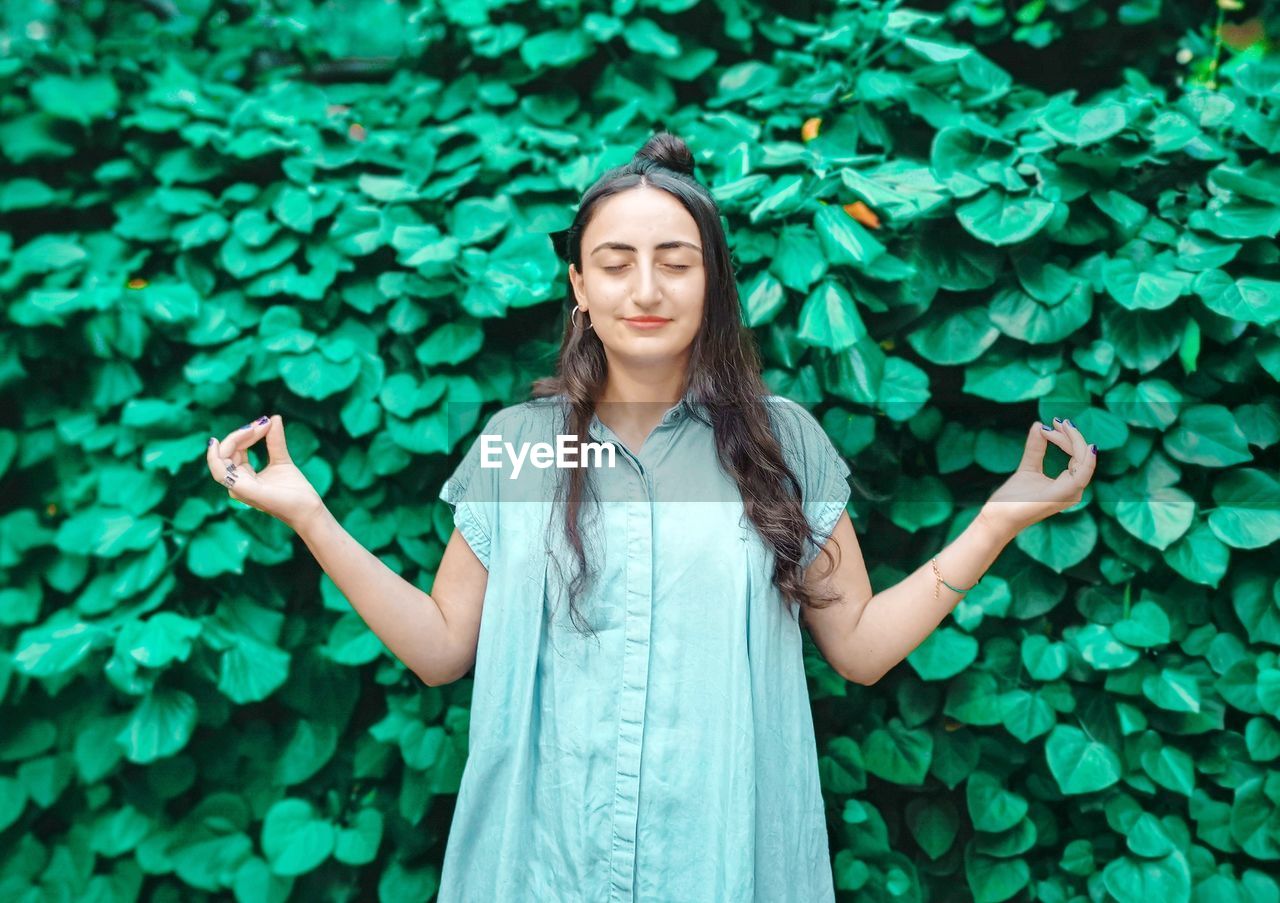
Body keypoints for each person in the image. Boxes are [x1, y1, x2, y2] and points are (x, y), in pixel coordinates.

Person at [205, 130, 1097, 901]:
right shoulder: (519, 444)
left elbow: (859, 646)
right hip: (542, 865)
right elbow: (441, 647)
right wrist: (309, 514)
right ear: (579, 286)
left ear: (712, 282)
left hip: (722, 863)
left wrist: (1002, 518)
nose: (647, 287)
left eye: (676, 261)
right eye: (616, 262)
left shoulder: (783, 442)